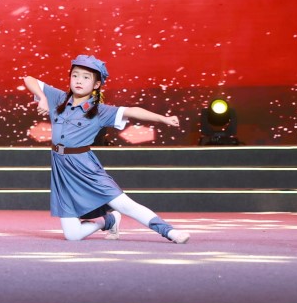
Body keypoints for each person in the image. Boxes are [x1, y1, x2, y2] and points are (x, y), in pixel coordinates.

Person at [21, 55, 190, 244]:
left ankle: (169, 231)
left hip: (85, 166)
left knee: (124, 205)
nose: (78, 80)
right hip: (62, 170)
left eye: (86, 77)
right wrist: (43, 98)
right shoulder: (58, 99)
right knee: (73, 236)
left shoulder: (100, 111)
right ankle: (109, 220)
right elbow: (29, 79)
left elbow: (132, 111)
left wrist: (163, 119)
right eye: (75, 75)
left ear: (96, 85)